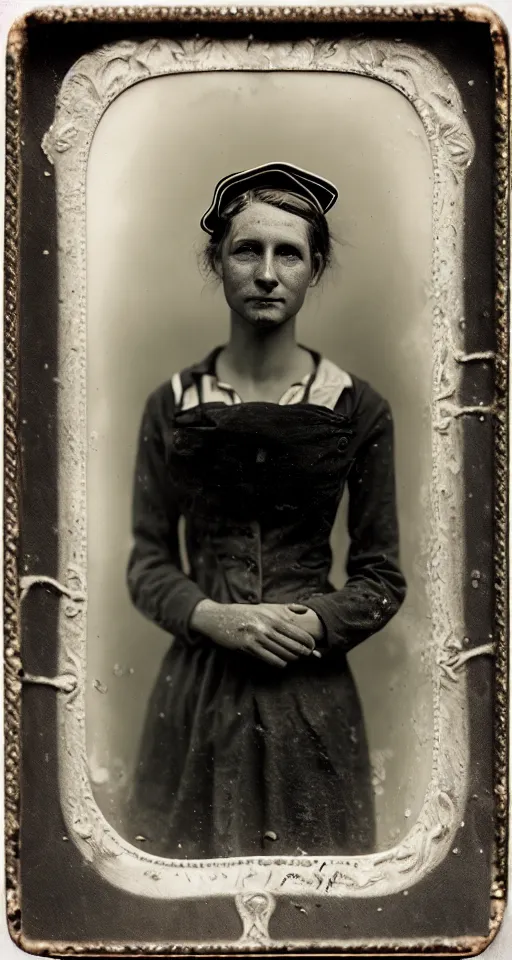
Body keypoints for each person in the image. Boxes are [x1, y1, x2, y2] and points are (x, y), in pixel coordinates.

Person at [126, 161, 407, 859]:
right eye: (247, 249)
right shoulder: (171, 405)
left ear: (315, 270)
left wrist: (309, 621)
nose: (266, 272)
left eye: (290, 253)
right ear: (217, 260)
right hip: (197, 699)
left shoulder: (359, 408)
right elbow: (148, 561)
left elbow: (381, 577)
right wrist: (216, 617)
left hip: (310, 700)